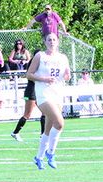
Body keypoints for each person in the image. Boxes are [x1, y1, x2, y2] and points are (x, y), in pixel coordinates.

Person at [26, 32, 70, 170]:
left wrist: (67, 75)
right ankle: (51, 153)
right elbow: (29, 74)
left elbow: (67, 73)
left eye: (54, 39)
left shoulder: (63, 57)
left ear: (57, 41)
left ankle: (39, 157)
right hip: (44, 94)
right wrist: (44, 79)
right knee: (60, 123)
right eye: (49, 39)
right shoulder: (40, 56)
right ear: (45, 42)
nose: (52, 42)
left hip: (57, 93)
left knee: (48, 128)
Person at [10, 55, 46, 142]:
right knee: (27, 114)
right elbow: (32, 78)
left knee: (45, 112)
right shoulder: (32, 67)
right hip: (31, 91)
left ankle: (43, 135)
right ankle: (15, 132)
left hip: (37, 91)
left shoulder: (39, 67)